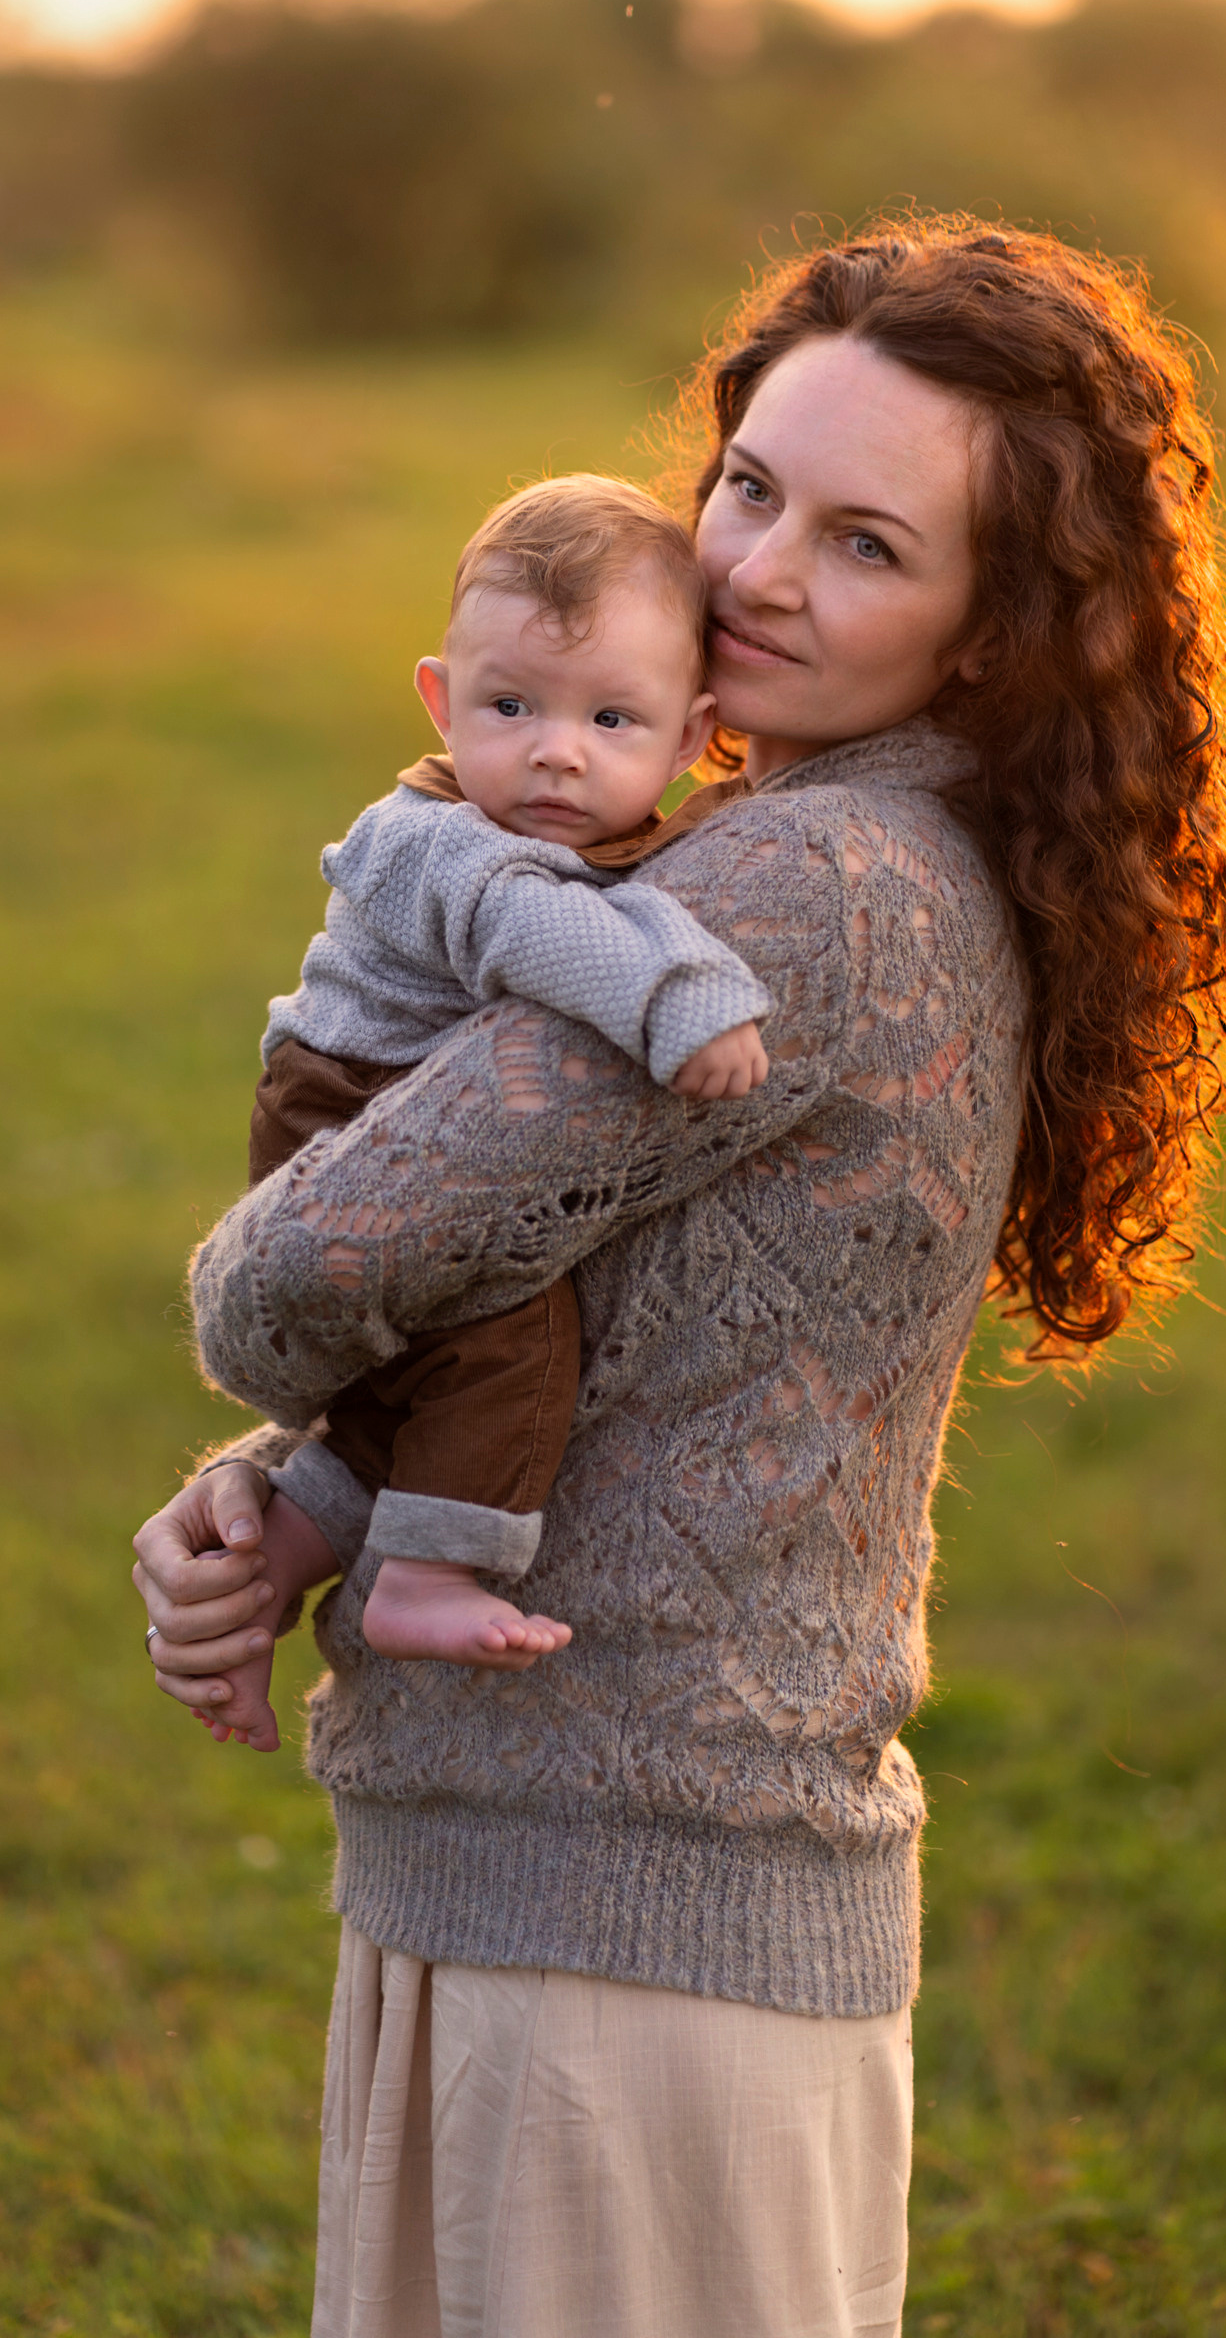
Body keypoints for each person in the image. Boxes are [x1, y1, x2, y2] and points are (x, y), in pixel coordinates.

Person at [133, 216, 1226, 2338]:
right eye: (747, 484)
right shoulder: (879, 844)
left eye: (864, 545)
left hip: (612, 1947)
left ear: (989, 628)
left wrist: (291, 1422)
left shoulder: (793, 881)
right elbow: (631, 1355)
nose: (752, 569)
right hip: (647, 1896)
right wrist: (301, 1500)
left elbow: (288, 1277)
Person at [218, 472, 774, 1720]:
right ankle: (423, 1572)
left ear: (690, 739)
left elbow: (625, 886)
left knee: (397, 1401)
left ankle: (264, 1577)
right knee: (512, 1336)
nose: (555, 751)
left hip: (384, 1100)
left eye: (613, 722)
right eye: (510, 704)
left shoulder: (566, 814)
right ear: (439, 698)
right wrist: (677, 1003)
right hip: (347, 1103)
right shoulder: (446, 839)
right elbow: (539, 929)